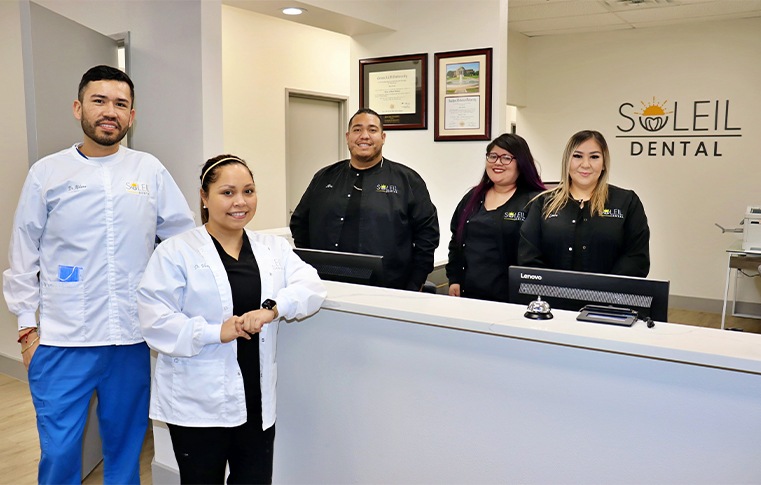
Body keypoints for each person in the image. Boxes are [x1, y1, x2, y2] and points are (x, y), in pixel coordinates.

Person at [2, 65, 195, 484]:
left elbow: (181, 242)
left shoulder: (149, 170)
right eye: (99, 101)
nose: (110, 111)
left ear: (132, 115)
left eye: (120, 104)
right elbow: (23, 253)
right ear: (78, 108)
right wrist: (26, 328)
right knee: (58, 453)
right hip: (60, 338)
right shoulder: (47, 173)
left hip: (129, 338)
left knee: (125, 452)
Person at [138, 154, 326, 484]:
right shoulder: (175, 252)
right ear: (204, 197)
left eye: (248, 191)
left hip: (256, 400)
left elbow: (311, 286)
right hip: (199, 404)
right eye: (227, 192)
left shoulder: (272, 248)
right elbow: (155, 321)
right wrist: (215, 332)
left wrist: (273, 307)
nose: (240, 202)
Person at [289, 108, 440, 291]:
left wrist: (415, 282)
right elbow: (299, 223)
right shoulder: (324, 177)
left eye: (372, 130)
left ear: (383, 137)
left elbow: (427, 235)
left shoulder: (407, 180)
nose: (364, 136)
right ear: (348, 136)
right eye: (357, 129)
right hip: (326, 285)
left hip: (390, 287)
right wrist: (311, 263)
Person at [518, 130, 650, 276]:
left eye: (594, 157)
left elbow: (636, 258)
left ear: (604, 163)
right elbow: (529, 257)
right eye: (577, 156)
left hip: (610, 296)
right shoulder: (542, 203)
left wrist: (606, 289)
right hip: (551, 296)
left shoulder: (627, 202)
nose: (585, 164)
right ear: (567, 161)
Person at [446, 133, 546, 302]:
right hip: (468, 294)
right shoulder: (472, 197)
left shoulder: (535, 201)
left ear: (521, 163)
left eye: (506, 158)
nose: (498, 162)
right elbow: (456, 241)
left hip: (513, 298)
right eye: (493, 156)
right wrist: (454, 279)